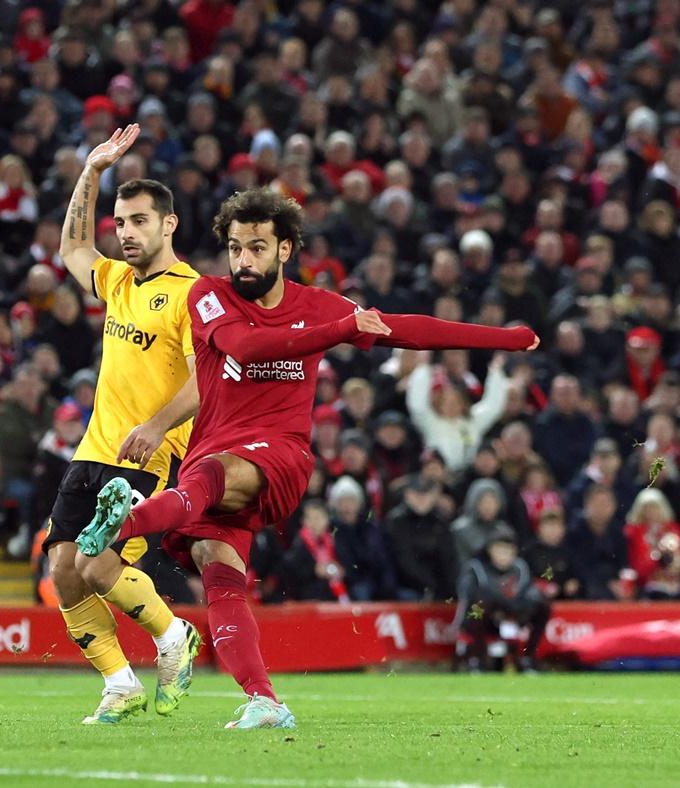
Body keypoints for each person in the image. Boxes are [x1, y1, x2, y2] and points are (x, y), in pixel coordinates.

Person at [77, 188, 538, 728]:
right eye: (234, 248)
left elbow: (405, 329)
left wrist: (501, 340)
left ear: (285, 250)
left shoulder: (317, 304)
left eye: (256, 248)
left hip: (279, 455)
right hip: (217, 448)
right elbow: (246, 347)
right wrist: (340, 330)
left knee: (207, 475)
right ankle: (265, 700)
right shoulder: (209, 295)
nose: (243, 260)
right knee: (218, 573)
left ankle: (124, 518)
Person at [49, 124, 203, 725]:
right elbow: (70, 250)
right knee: (63, 570)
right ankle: (120, 683)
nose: (128, 233)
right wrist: (89, 174)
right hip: (94, 448)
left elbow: (203, 382)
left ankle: (174, 638)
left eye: (140, 221)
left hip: (149, 455)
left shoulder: (192, 295)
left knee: (95, 563)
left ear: (168, 225)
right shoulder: (117, 281)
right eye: (121, 223)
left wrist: (157, 426)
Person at [453, 524, 550, 673]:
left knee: (542, 606)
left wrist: (515, 609)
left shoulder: (521, 568)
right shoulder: (476, 569)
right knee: (480, 606)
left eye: (508, 550)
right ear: (490, 550)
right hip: (485, 621)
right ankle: (477, 659)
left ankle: (528, 658)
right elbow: (469, 596)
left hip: (512, 617)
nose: (504, 555)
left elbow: (528, 593)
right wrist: (501, 604)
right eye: (500, 549)